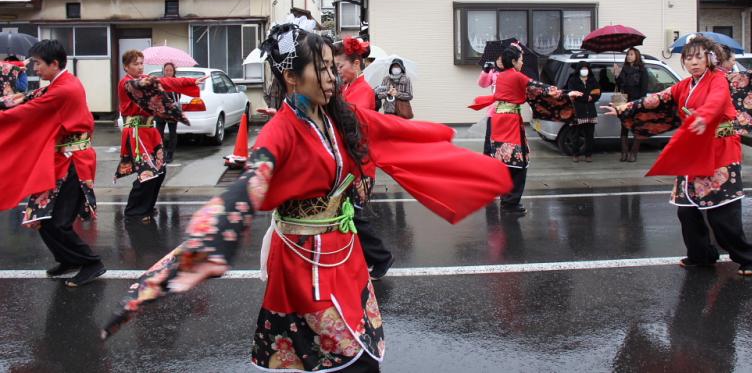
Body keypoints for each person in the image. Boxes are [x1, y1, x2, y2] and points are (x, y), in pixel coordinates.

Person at [102, 24, 512, 373]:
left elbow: (393, 134)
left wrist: (456, 158)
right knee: (345, 359)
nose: (332, 77)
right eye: (322, 69)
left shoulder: (338, 114)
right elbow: (255, 177)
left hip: (346, 255)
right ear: (293, 78)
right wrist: (211, 238)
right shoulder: (284, 128)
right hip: (304, 260)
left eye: (333, 67)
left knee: (359, 353)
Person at [602, 35, 752, 276]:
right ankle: (701, 255)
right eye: (688, 58)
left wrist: (704, 117)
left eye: (698, 57)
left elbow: (716, 101)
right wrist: (624, 109)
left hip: (720, 150)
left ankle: (745, 257)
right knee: (687, 209)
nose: (693, 62)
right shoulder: (684, 85)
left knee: (722, 213)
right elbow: (657, 99)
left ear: (710, 59)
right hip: (693, 148)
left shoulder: (719, 80)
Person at [0, 40, 105, 287]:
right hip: (60, 160)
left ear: (54, 63)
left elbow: (27, 110)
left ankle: (92, 263)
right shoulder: (61, 84)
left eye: (37, 63)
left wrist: (7, 108)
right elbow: (31, 96)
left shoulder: (64, 89)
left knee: (58, 221)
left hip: (73, 163)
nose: (34, 68)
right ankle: (68, 259)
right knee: (42, 217)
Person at [470, 46, 576, 215]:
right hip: (509, 121)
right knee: (518, 163)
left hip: (499, 120)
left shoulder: (501, 76)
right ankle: (510, 203)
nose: (522, 62)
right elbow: (541, 89)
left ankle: (507, 200)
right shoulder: (516, 76)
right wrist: (567, 94)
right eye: (520, 59)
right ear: (513, 61)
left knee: (505, 161)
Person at [116, 50, 204, 222]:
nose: (140, 67)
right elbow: (146, 84)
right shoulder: (126, 83)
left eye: (141, 63)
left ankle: (147, 207)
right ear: (126, 67)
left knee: (160, 171)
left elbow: (165, 81)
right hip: (136, 130)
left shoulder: (144, 79)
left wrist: (191, 81)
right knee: (148, 172)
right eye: (135, 64)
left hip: (150, 130)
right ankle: (134, 211)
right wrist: (152, 81)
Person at [334, 36, 394, 280]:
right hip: (350, 163)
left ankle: (381, 257)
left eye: (340, 67)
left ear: (357, 64)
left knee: (355, 215)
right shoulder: (348, 88)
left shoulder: (364, 91)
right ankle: (367, 258)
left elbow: (352, 126)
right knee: (350, 214)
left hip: (359, 165)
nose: (337, 71)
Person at [614, 48, 648, 162]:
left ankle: (633, 154)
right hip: (624, 101)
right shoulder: (624, 69)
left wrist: (640, 103)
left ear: (637, 56)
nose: (629, 56)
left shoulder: (642, 70)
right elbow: (620, 85)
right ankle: (624, 153)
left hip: (636, 101)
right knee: (624, 127)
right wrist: (616, 75)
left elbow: (644, 89)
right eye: (628, 54)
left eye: (631, 54)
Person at [566, 61, 601, 162]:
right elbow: (573, 94)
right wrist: (587, 97)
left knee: (589, 135)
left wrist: (591, 97)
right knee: (576, 135)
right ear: (578, 69)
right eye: (582, 68)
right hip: (578, 110)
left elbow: (597, 92)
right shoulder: (573, 80)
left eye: (586, 68)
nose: (584, 70)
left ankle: (588, 155)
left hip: (590, 110)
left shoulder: (592, 80)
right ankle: (575, 154)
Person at [154, 62, 181, 164]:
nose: (168, 72)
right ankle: (161, 154)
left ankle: (170, 154)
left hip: (172, 111)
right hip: (160, 111)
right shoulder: (159, 81)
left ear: (174, 71)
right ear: (163, 71)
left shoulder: (177, 81)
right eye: (166, 70)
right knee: (159, 134)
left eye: (170, 70)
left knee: (172, 133)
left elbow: (179, 96)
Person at [477, 56, 503, 155]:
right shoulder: (493, 72)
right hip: (493, 111)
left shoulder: (512, 72)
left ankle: (501, 158)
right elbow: (482, 84)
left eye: (502, 59)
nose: (500, 61)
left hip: (507, 111)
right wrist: (486, 71)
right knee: (489, 137)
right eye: (498, 59)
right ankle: (487, 158)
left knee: (502, 139)